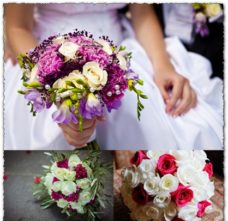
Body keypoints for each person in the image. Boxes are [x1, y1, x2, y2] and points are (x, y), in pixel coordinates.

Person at [4, 3, 223, 150]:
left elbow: (143, 13)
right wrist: (56, 84)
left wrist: (163, 65)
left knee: (182, 121)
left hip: (120, 48)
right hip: (48, 51)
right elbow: (17, 27)